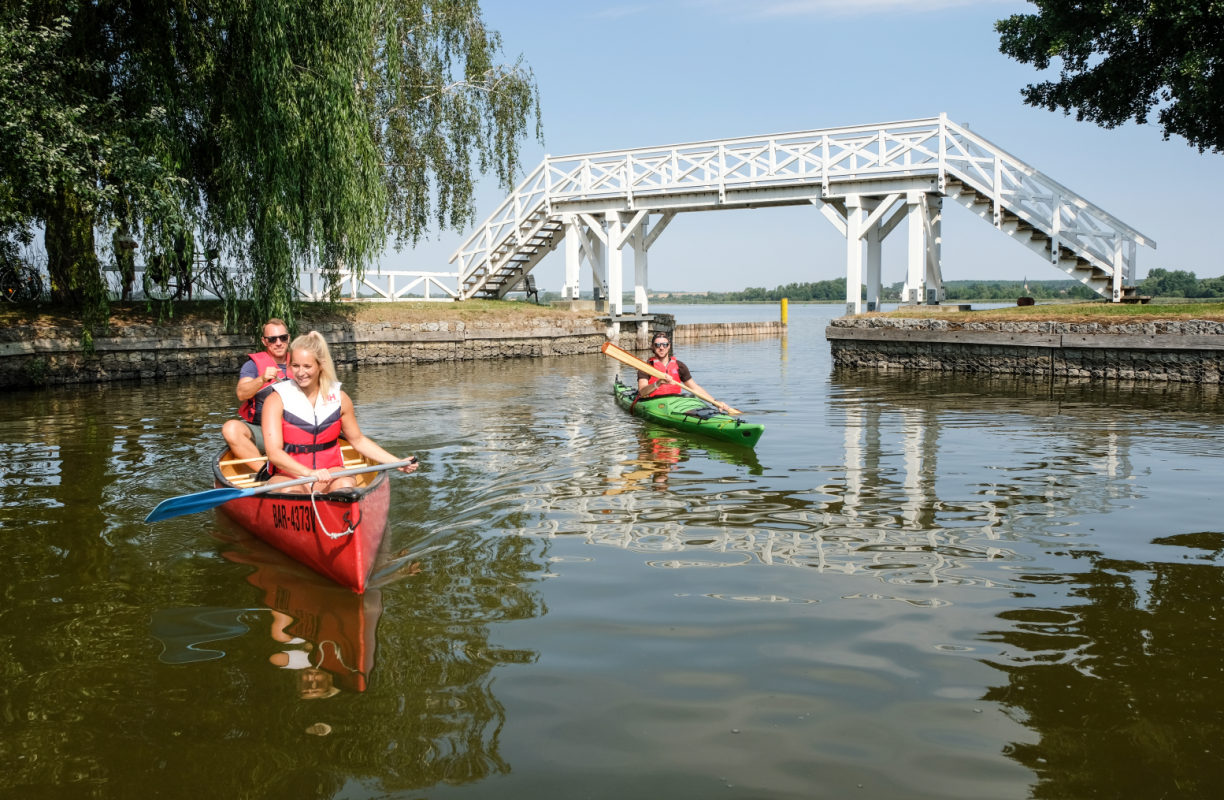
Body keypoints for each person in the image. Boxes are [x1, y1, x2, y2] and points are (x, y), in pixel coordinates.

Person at [261, 331, 417, 493]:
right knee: (291, 493)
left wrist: (397, 462)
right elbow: (273, 452)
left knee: (344, 485)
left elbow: (358, 440)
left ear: (321, 365)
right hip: (289, 475)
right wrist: (309, 473)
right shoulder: (275, 400)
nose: (300, 373)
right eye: (295, 366)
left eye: (307, 366)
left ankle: (340, 512)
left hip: (329, 471)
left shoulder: (340, 399)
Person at [221, 319, 291, 465]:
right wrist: (262, 379)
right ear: (264, 341)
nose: (278, 343)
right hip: (264, 430)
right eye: (272, 339)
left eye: (282, 338)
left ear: (288, 338)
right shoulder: (252, 366)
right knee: (231, 428)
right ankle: (264, 473)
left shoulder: (300, 362)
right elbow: (241, 393)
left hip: (298, 429)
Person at [636, 332, 729, 413]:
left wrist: (715, 402)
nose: (661, 348)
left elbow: (695, 388)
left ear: (669, 346)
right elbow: (642, 392)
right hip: (654, 403)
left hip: (676, 403)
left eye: (665, 344)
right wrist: (658, 383)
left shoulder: (680, 366)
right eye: (657, 345)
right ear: (652, 346)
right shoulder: (646, 367)